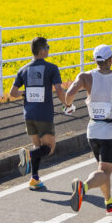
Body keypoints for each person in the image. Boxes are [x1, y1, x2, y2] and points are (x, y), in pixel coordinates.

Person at [64, 44, 112, 214]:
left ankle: (109, 201)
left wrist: (68, 106)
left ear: (95, 60)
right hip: (111, 131)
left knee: (102, 169)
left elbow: (69, 94)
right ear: (110, 59)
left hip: (93, 130)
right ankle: (83, 187)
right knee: (104, 171)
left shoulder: (85, 76)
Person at [8, 36, 68, 190]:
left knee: (37, 145)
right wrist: (67, 103)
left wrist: (25, 94)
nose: (49, 50)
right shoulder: (51, 68)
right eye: (47, 48)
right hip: (44, 114)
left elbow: (13, 93)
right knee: (49, 147)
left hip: (28, 114)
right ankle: (29, 156)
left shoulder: (23, 69)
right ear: (42, 51)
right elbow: (59, 89)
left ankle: (34, 179)